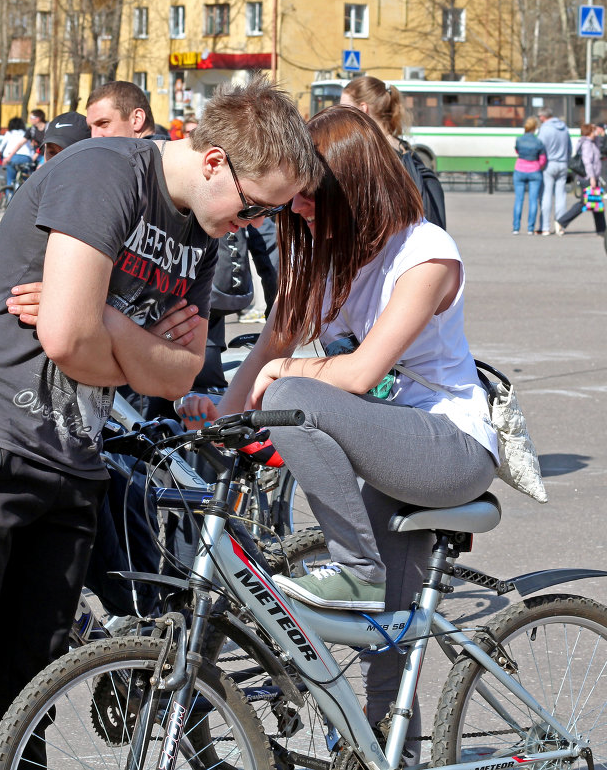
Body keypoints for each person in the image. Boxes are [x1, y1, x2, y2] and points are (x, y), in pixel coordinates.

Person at [0, 76, 320, 770]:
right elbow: (64, 340)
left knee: (31, 691)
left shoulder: (198, 230)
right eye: (255, 205)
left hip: (77, 456)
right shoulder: (104, 174)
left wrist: (108, 321)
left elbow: (176, 374)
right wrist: (133, 349)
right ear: (211, 161)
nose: (254, 225)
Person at [176, 105, 496, 763]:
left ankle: (354, 568)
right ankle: (388, 750)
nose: (298, 213)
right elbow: (273, 339)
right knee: (383, 636)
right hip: (391, 446)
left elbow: (359, 371)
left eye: (311, 199)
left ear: (356, 189)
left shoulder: (424, 254)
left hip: (448, 446)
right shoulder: (329, 258)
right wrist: (225, 419)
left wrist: (283, 375)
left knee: (296, 394)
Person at [340, 75, 446, 229]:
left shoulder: (373, 154)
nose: (340, 115)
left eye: (344, 107)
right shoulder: (405, 149)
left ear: (363, 108)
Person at [555, 123, 606, 236]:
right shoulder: (587, 144)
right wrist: (592, 177)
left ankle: (602, 230)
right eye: (593, 131)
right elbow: (588, 162)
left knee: (597, 203)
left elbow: (599, 144)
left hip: (592, 177)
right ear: (588, 133)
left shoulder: (593, 142)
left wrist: (599, 134)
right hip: (588, 178)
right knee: (584, 203)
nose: (595, 133)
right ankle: (561, 221)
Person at [85, 80, 164, 139]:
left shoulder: (161, 159)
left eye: (103, 123)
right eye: (91, 128)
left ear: (137, 119)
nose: (94, 136)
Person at [537, 106, 571, 235]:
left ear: (543, 116)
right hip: (563, 164)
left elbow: (540, 148)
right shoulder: (564, 127)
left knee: (546, 195)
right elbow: (569, 148)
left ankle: (545, 227)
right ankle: (560, 226)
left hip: (549, 164)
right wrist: (566, 160)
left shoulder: (545, 129)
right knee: (561, 195)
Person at [512, 116, 546, 235]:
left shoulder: (519, 139)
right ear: (535, 127)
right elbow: (542, 159)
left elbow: (517, 151)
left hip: (520, 170)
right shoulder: (538, 142)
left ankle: (516, 228)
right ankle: (530, 228)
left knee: (519, 200)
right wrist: (537, 165)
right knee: (533, 200)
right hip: (534, 171)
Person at [0, 115, 35, 187]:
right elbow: (31, 147)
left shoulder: (9, 133)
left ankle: (9, 196)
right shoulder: (25, 133)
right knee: (25, 180)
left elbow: (1, 147)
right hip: (26, 157)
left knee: (11, 179)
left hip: (12, 157)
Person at [593, 122, 607, 193]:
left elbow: (606, 148)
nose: (596, 129)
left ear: (601, 129)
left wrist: (598, 150)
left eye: (597, 128)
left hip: (604, 158)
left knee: (605, 175)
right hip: (598, 158)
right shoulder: (597, 137)